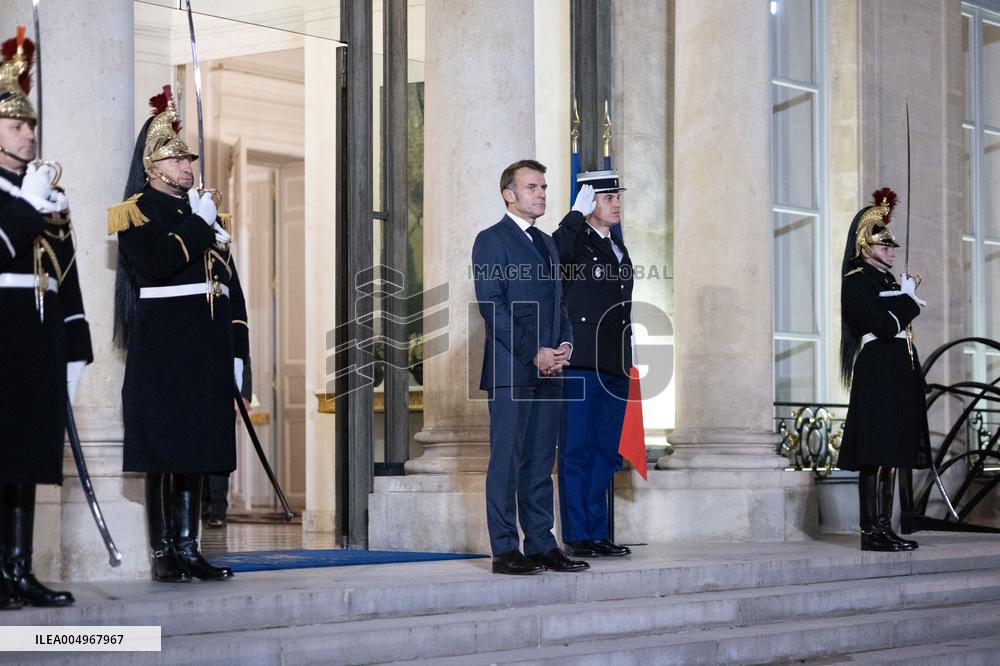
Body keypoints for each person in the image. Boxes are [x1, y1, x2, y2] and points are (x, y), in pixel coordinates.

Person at [108, 85, 250, 582]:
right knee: (165, 452)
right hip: (165, 351)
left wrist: (238, 355)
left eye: (189, 160)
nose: (187, 167)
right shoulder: (136, 213)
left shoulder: (204, 215)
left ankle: (190, 549)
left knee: (198, 450)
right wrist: (199, 227)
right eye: (176, 160)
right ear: (153, 168)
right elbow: (154, 266)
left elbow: (231, 292)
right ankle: (163, 552)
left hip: (207, 351)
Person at [0, 28, 91, 608]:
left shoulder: (42, 192)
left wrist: (75, 347)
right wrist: (27, 207)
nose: (29, 133)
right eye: (16, 125)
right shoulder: (27, 196)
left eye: (31, 126)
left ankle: (17, 571)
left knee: (27, 457)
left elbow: (68, 275)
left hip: (36, 338)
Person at [472, 159, 587, 575]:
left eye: (543, 186)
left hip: (552, 370)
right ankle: (504, 549)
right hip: (511, 370)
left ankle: (541, 543)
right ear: (509, 194)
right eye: (532, 187)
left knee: (540, 462)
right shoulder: (491, 240)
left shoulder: (547, 243)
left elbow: (560, 306)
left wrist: (565, 345)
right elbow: (493, 307)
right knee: (506, 461)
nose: (541, 193)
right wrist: (533, 352)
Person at [838, 187, 928, 552]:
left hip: (897, 372)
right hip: (877, 373)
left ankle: (885, 526)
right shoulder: (857, 281)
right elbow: (888, 325)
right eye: (884, 244)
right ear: (864, 245)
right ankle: (870, 530)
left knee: (892, 454)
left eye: (892, 245)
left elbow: (900, 329)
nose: (891, 250)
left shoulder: (887, 282)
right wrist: (908, 301)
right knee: (875, 454)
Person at [552, 170, 633, 558]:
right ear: (588, 202)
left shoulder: (618, 247)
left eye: (617, 196)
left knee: (604, 453)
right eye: (606, 198)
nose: (616, 203)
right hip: (581, 360)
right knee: (577, 451)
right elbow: (550, 258)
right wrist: (572, 216)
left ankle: (598, 533)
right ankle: (578, 534)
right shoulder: (574, 243)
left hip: (615, 363)